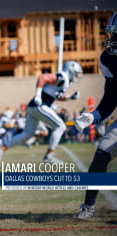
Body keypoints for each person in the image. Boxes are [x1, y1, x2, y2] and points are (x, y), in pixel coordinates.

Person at [0, 61, 82, 168]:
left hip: (33, 107)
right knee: (61, 126)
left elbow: (56, 96)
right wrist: (38, 95)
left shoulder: (65, 82)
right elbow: (42, 78)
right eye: (76, 73)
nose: (77, 76)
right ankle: (49, 156)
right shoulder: (62, 77)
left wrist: (69, 97)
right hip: (39, 104)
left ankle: (0, 149)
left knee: (27, 135)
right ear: (70, 70)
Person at [73, 11, 117, 220]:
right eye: (113, 35)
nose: (113, 41)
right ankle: (88, 206)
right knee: (101, 156)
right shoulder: (109, 58)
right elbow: (110, 99)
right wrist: (93, 116)